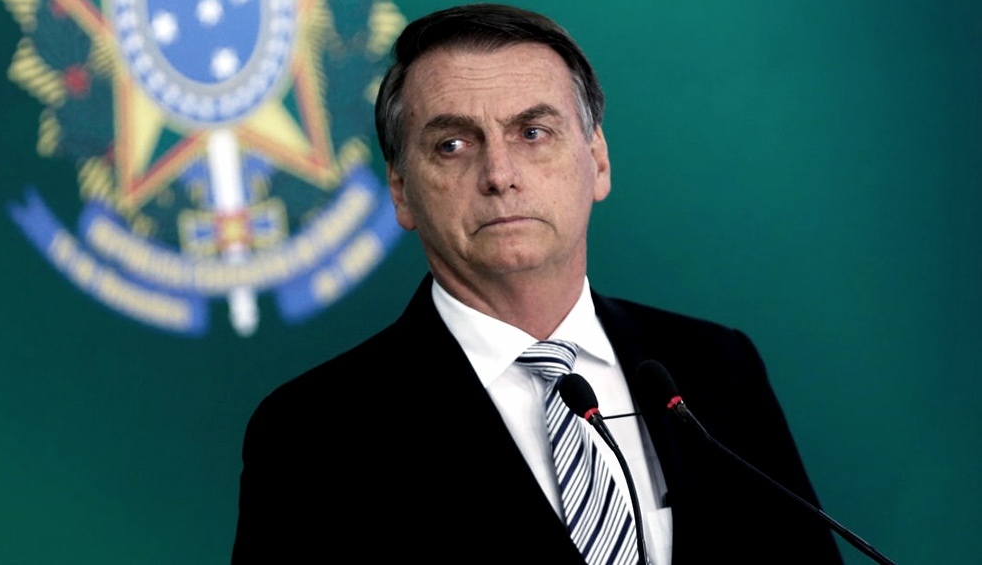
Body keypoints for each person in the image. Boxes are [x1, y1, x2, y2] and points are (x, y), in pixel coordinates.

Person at [231, 4, 843, 563]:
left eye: (532, 133)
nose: (499, 174)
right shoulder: (310, 434)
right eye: (452, 144)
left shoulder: (717, 367)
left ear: (597, 160)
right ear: (401, 190)